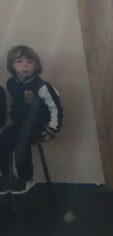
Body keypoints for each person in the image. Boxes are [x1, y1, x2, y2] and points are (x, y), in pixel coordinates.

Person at [0, 45, 62, 195]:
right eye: (19, 61)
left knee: (21, 141)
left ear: (36, 65)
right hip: (21, 124)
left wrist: (51, 129)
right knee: (3, 140)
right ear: (12, 66)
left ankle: (27, 177)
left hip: (40, 125)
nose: (25, 65)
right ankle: (7, 176)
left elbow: (56, 109)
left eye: (30, 62)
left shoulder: (42, 86)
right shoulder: (11, 83)